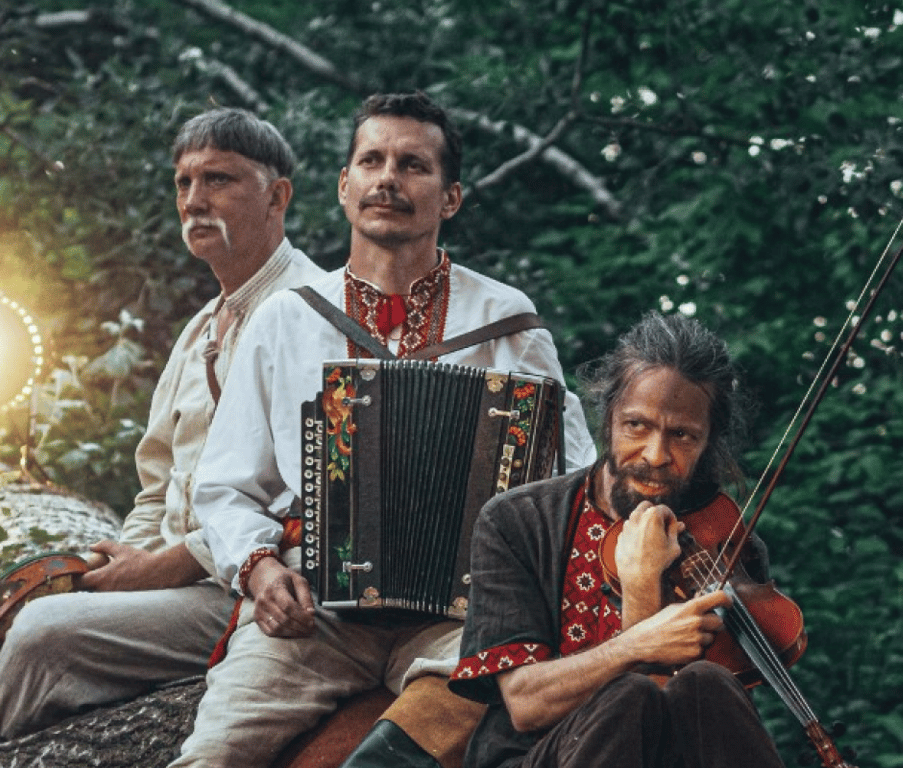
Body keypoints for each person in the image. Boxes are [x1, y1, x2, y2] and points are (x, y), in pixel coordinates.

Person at [170, 91, 597, 767]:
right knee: (212, 757)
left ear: (450, 198)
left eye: (413, 165)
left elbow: (573, 480)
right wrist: (260, 571)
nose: (387, 179)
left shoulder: (506, 320)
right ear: (345, 186)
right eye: (371, 161)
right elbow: (226, 486)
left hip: (463, 616)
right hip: (315, 609)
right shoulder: (286, 319)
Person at [0, 107, 324, 739]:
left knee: (38, 636)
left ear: (277, 196)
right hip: (178, 588)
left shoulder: (314, 312)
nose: (195, 200)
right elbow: (157, 483)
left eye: (219, 179)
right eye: (183, 182)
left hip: (256, 589)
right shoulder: (199, 330)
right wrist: (122, 567)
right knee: (31, 608)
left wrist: (158, 571)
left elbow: (300, 502)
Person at [449, 311, 787, 768]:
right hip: (536, 757)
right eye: (637, 425)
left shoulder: (727, 547)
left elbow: (710, 729)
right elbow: (526, 705)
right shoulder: (517, 521)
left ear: (709, 442)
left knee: (706, 683)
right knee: (629, 696)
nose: (656, 454)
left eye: (682, 435)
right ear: (608, 417)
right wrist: (637, 640)